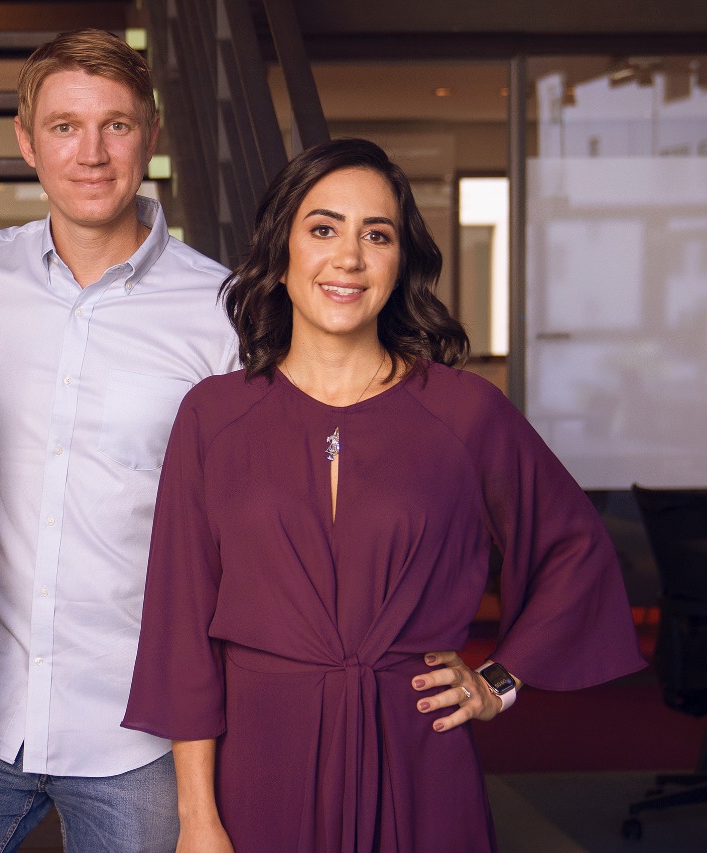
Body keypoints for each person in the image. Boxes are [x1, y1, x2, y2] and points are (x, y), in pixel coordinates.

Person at [122, 137, 648, 852]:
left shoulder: (465, 412)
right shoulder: (213, 415)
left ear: (400, 264)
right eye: (323, 229)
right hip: (262, 766)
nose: (349, 257)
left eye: (377, 235)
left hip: (419, 755)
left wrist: (498, 680)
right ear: (281, 251)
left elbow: (574, 549)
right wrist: (197, 818)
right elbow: (181, 625)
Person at [0, 28, 238, 852]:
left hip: (138, 735)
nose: (91, 153)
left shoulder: (224, 313)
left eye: (116, 125)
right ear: (27, 141)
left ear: (151, 133)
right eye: (65, 126)